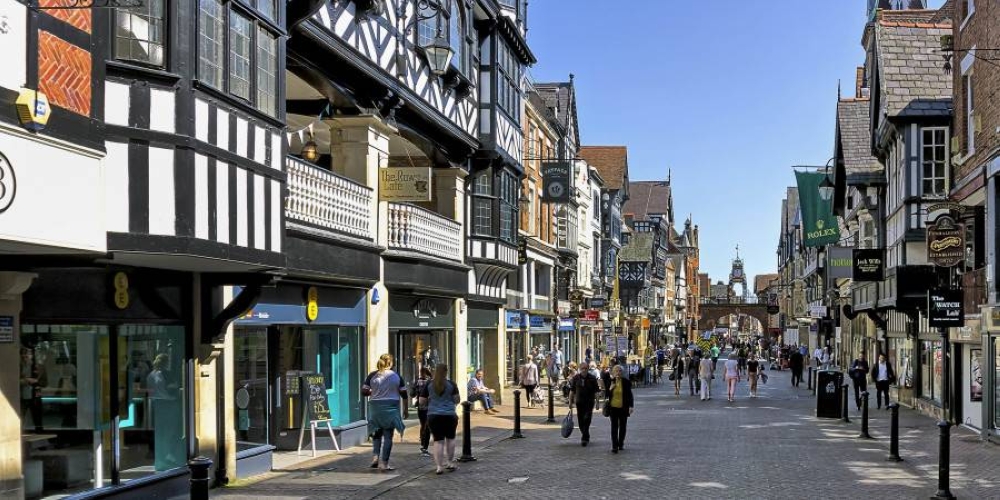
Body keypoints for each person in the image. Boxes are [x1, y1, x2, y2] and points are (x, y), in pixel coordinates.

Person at [366, 354, 406, 472]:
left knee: (376, 434)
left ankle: (375, 457)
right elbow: (404, 393)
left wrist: (373, 392)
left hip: (375, 407)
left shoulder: (372, 375)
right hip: (391, 407)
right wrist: (406, 409)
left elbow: (364, 390)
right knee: (388, 436)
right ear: (391, 363)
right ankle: (384, 463)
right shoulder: (396, 376)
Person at [419, 363, 461, 475]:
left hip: (433, 416)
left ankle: (439, 466)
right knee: (450, 439)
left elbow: (421, 402)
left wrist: (430, 400)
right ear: (446, 372)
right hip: (450, 415)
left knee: (438, 441)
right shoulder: (451, 384)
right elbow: (457, 400)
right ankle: (450, 462)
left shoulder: (429, 384)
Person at [569, 361, 600, 447]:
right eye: (582, 368)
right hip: (579, 402)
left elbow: (597, 391)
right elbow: (572, 391)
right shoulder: (576, 378)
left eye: (586, 368)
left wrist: (597, 403)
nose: (584, 370)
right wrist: (570, 402)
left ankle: (584, 438)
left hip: (589, 402)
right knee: (580, 421)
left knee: (587, 419)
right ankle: (586, 435)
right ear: (579, 369)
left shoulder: (592, 378)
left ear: (588, 369)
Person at [605, 365, 633, 454]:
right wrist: (610, 389)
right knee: (614, 427)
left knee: (623, 426)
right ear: (613, 372)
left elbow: (630, 395)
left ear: (622, 372)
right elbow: (606, 395)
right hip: (613, 408)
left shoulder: (626, 382)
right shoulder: (610, 381)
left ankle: (620, 443)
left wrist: (631, 406)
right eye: (616, 371)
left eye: (620, 371)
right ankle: (614, 446)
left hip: (623, 408)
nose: (618, 372)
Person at [20, 347, 46, 430]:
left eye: (28, 354)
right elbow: (11, 381)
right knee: (19, 419)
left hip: (35, 397)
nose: (25, 356)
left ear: (32, 355)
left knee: (37, 420)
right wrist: (24, 381)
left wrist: (36, 381)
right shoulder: (17, 366)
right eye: (23, 354)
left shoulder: (39, 367)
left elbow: (44, 382)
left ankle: (40, 437)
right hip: (21, 397)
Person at [412, 367, 433, 457]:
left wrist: (417, 393)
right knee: (426, 425)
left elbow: (412, 394)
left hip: (421, 406)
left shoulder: (418, 382)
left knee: (423, 425)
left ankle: (423, 442)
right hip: (427, 406)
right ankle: (423, 443)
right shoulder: (431, 382)